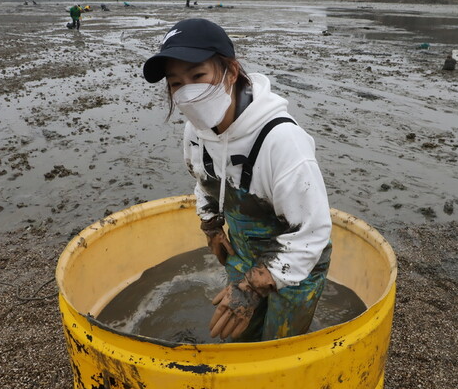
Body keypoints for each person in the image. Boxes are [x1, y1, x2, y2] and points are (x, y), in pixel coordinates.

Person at [142, 18, 333, 342]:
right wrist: (212, 227)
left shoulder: (282, 141)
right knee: (239, 340)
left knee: (279, 344)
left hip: (296, 263)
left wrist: (253, 285)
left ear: (230, 72)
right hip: (241, 250)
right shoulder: (195, 133)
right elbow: (204, 183)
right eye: (176, 83)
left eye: (198, 76)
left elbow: (312, 232)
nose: (187, 92)